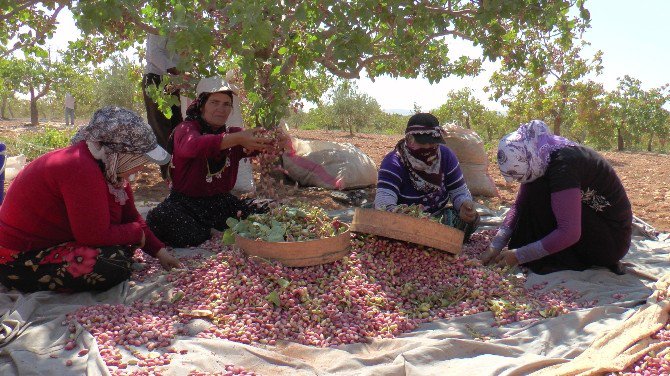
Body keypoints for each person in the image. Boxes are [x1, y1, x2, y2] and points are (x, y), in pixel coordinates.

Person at [0, 107, 181, 293]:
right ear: (121, 153)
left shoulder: (110, 170)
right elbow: (93, 235)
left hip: (51, 243)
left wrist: (160, 252)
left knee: (118, 252)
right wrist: (135, 233)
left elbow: (131, 216)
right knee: (112, 265)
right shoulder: (80, 167)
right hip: (15, 257)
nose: (141, 168)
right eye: (139, 160)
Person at [480, 120, 633, 274]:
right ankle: (542, 252)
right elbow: (519, 206)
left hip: (610, 242)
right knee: (535, 190)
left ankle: (553, 258)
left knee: (539, 192)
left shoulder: (564, 166)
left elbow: (569, 232)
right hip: (592, 225)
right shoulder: (540, 157)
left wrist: (519, 256)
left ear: (529, 157)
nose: (520, 181)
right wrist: (495, 246)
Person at [146, 77, 281, 247]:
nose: (221, 109)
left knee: (270, 210)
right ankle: (206, 229)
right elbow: (192, 146)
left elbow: (261, 145)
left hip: (221, 203)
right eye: (214, 102)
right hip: (185, 204)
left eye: (226, 104)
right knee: (175, 226)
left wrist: (276, 142)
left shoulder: (234, 134)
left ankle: (209, 229)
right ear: (202, 105)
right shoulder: (186, 129)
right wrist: (238, 138)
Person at [374, 112, 479, 241]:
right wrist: (402, 215)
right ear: (409, 140)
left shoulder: (446, 156)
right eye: (424, 143)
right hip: (403, 221)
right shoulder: (393, 162)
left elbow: (459, 191)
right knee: (378, 219)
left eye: (433, 144)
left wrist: (464, 204)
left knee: (471, 219)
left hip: (438, 217)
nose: (429, 147)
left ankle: (426, 238)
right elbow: (384, 202)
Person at [143, 33, 184, 179]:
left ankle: (178, 167)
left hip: (171, 81)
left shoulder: (179, 25)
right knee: (161, 128)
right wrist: (178, 70)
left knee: (177, 125)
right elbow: (154, 54)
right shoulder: (158, 25)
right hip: (156, 80)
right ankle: (168, 172)